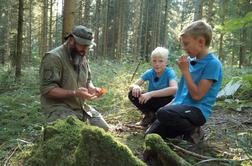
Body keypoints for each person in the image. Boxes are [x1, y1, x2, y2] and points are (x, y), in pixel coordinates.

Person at [145, 20, 223, 144]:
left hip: (197, 111)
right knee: (150, 136)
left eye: (186, 44)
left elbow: (197, 96)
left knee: (163, 113)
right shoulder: (191, 61)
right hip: (181, 107)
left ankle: (193, 130)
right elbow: (182, 93)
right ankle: (179, 132)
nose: (183, 48)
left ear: (201, 42)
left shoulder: (212, 64)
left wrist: (185, 71)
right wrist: (171, 103)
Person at [39, 25, 109, 131]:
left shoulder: (81, 56)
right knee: (75, 132)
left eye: (87, 46)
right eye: (82, 45)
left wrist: (92, 89)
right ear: (71, 40)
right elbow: (47, 90)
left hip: (81, 108)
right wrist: (75, 93)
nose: (85, 49)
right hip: (58, 107)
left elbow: (88, 81)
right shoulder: (53, 58)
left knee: (103, 130)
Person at [128, 47, 178, 127]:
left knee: (168, 99)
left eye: (160, 61)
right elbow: (132, 85)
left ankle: (158, 118)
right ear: (151, 61)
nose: (157, 64)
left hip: (166, 102)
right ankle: (149, 114)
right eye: (154, 61)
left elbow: (174, 89)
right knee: (132, 94)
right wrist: (135, 86)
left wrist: (151, 94)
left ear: (166, 62)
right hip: (153, 101)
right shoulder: (150, 72)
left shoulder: (169, 72)